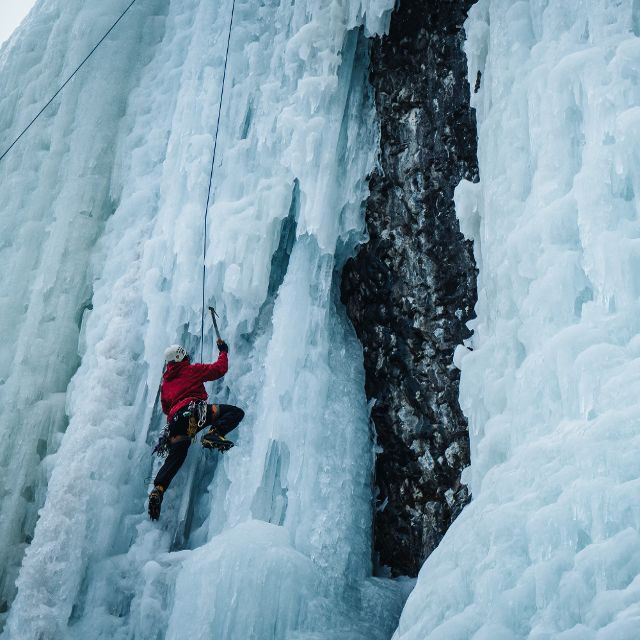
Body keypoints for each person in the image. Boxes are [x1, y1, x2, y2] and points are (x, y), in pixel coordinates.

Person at [148, 339, 244, 520]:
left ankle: (158, 489)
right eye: (183, 354)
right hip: (193, 413)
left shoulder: (165, 383)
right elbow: (219, 369)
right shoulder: (190, 370)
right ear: (180, 356)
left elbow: (166, 408)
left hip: (174, 425)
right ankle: (214, 434)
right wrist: (223, 351)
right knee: (235, 412)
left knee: (175, 459)